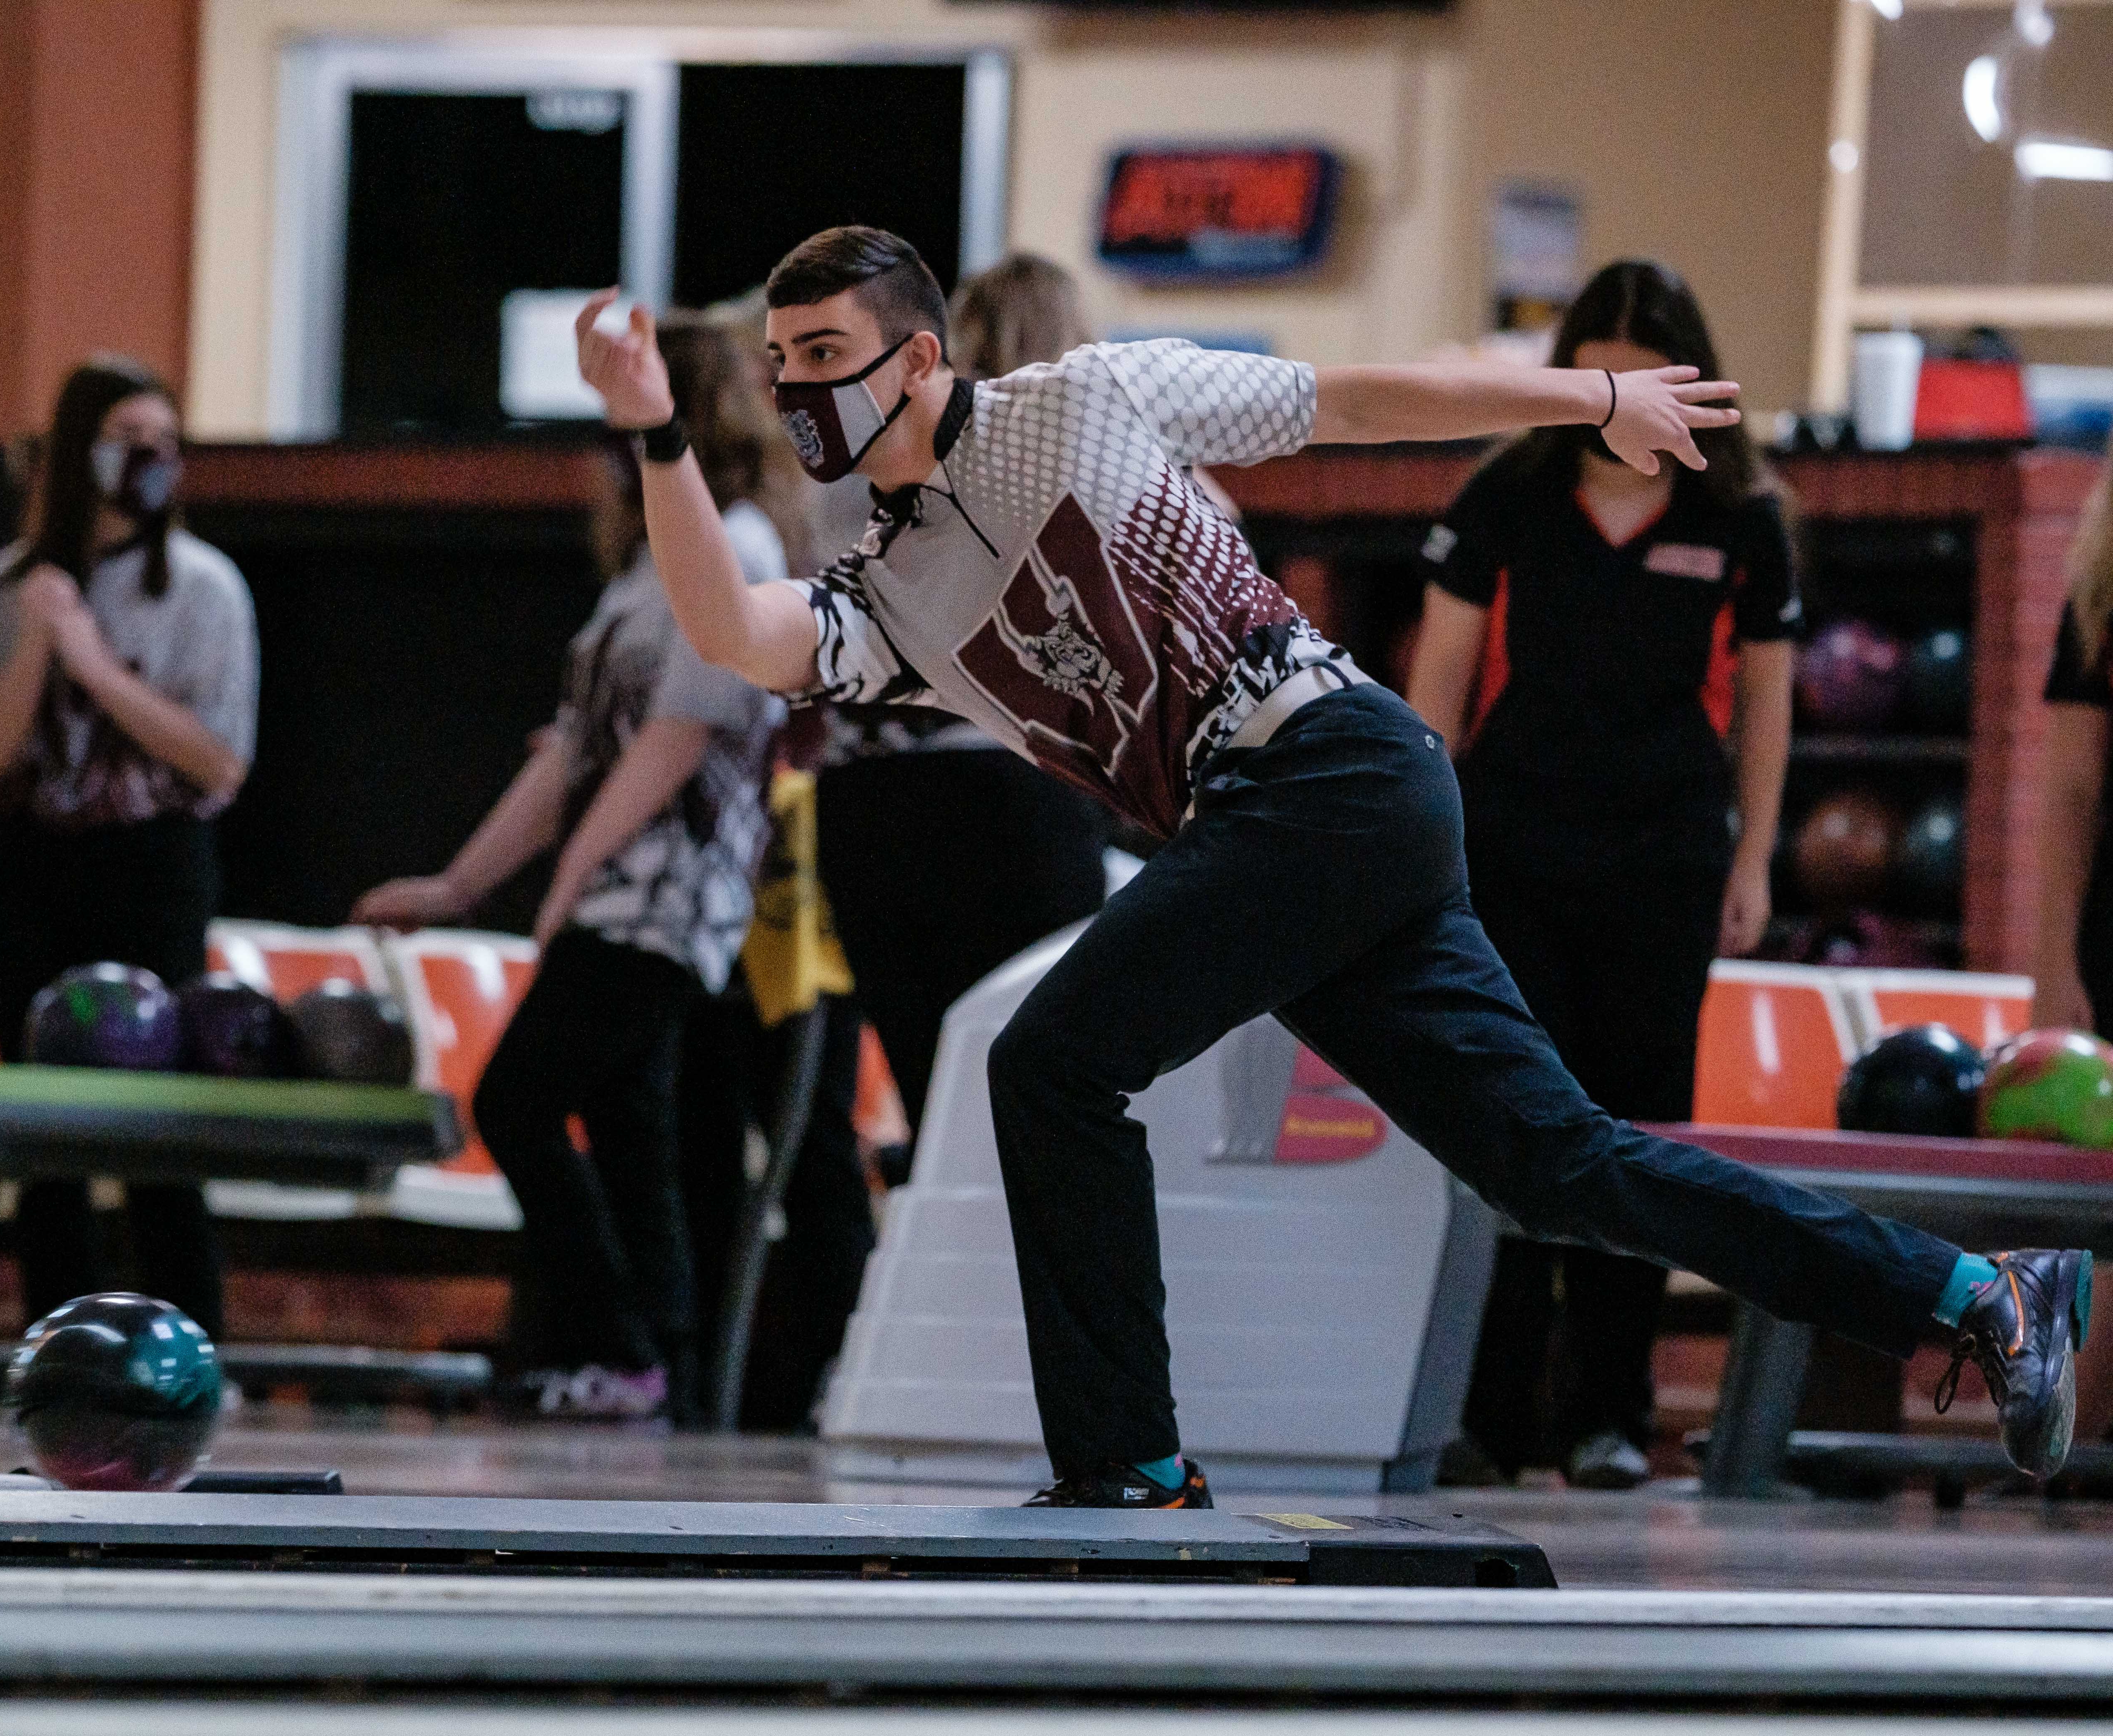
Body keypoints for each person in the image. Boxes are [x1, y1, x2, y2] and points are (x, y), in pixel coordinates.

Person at [572, 224, 2090, 1504]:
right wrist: (657, 432)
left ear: (916, 357)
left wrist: (1591, 394)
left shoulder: (1082, 398)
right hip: (1296, 826)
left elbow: (1354, 399)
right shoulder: (895, 590)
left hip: (1332, 773)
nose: (802, 392)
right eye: (782, 370)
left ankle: (1130, 1474)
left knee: (1050, 1069)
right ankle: (1973, 1294)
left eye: (826, 358)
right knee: (1555, 1167)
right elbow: (734, 633)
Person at [1404, 260, 1797, 1490]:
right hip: (1512, 853)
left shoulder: (1743, 518)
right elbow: (1438, 684)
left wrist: (1756, 859)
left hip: (1664, 860)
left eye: (1650, 373)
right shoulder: (1505, 496)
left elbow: (1768, 709)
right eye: (1602, 374)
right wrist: (1421, 842)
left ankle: (1611, 1417)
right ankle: (1492, 1414)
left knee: (1640, 1128)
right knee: (1513, 1122)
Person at [354, 315, 787, 1424]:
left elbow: (681, 732)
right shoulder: (647, 567)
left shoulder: (733, 546)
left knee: (522, 1098)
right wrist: (456, 887)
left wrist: (568, 879)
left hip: (670, 892)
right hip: (625, 889)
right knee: (628, 1125)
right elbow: (571, 750)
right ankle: (664, 1372)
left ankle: (623, 1345)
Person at [0, 355, 256, 1340]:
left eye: (168, 445)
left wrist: (95, 665)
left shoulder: (205, 589)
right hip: (29, 862)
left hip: (151, 864)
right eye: (130, 441)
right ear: (79, 453)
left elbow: (219, 763)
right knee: (46, 1128)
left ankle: (190, 1338)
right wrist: (40, 644)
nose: (151, 463)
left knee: (156, 1117)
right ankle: (61, 1343)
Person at [816, 252, 1109, 1138]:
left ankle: (943, 1266)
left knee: (932, 1091)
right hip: (1020, 786)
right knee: (1049, 1094)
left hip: (872, 791)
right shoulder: (1102, 457)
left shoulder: (865, 461)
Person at [2031, 437, 2113, 1438]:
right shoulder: (2099, 600)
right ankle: (2082, 1445)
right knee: (2106, 1223)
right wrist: (2053, 971)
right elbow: (2070, 795)